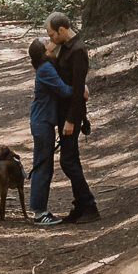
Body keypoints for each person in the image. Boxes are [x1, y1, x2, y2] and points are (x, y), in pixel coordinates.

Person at [44, 11, 99, 222]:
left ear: (62, 30)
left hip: (71, 115)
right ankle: (80, 206)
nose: (50, 39)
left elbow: (77, 90)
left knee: (67, 161)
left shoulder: (77, 50)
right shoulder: (65, 48)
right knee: (71, 158)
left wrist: (71, 120)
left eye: (52, 35)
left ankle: (89, 205)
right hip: (63, 112)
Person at [26, 36, 73, 225]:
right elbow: (63, 90)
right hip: (42, 122)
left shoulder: (46, 66)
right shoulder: (45, 69)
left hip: (43, 121)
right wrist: (82, 90)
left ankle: (40, 210)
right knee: (42, 167)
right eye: (46, 41)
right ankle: (39, 213)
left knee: (44, 165)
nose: (50, 40)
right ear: (44, 50)